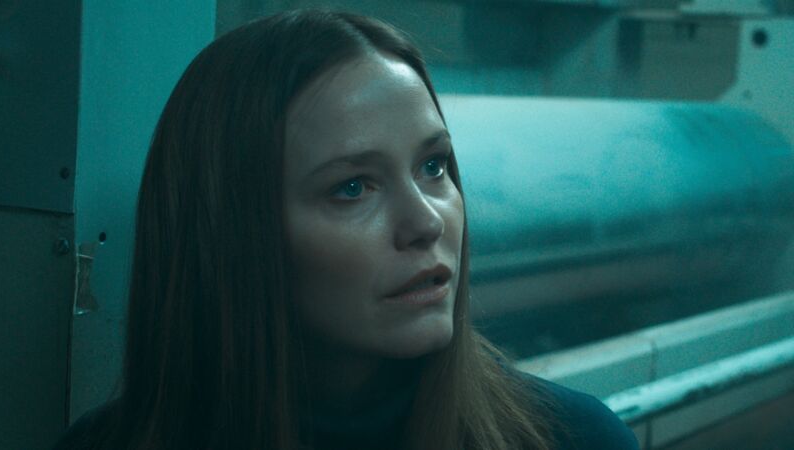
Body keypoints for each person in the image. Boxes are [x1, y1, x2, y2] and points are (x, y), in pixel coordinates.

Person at [51, 9, 639, 450]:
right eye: (353, 187)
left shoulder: (573, 440)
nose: (426, 221)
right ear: (233, 236)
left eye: (434, 167)